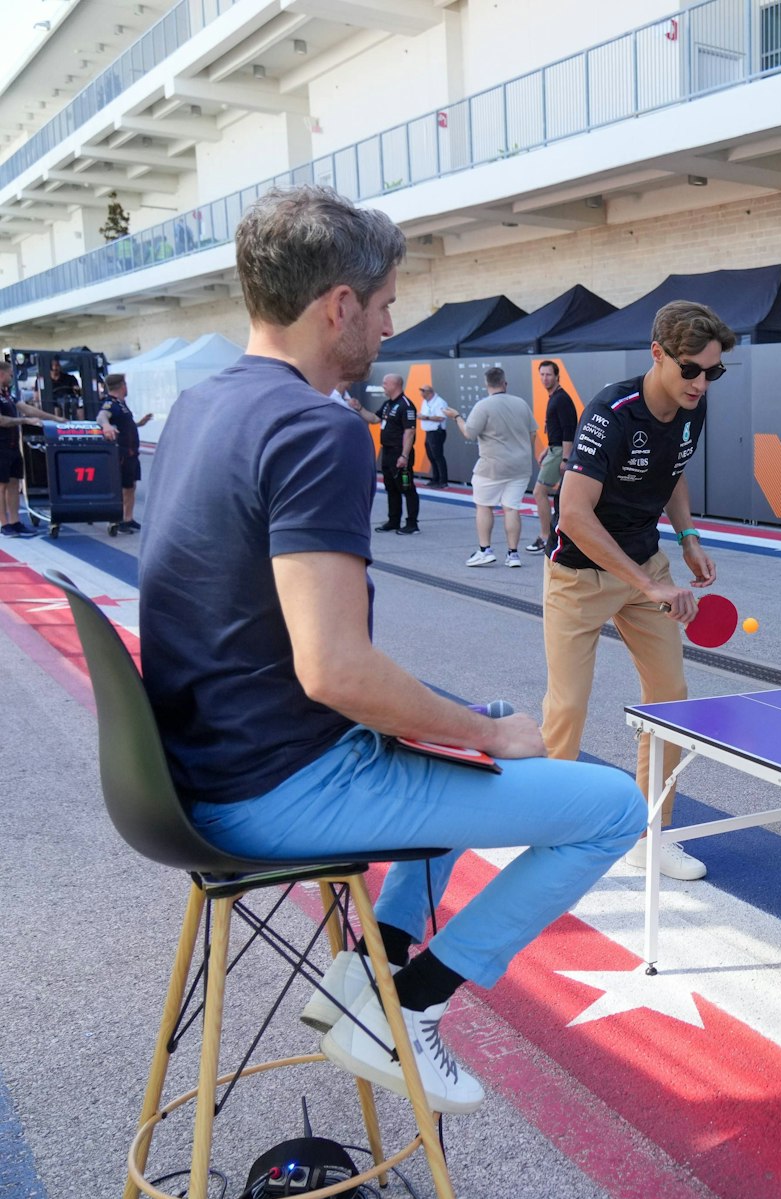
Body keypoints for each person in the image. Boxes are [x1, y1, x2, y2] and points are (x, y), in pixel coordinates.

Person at [140, 184, 643, 1117]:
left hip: (205, 769)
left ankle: (367, 972)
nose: (387, 325)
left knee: (457, 727)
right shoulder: (317, 427)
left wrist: (463, 725)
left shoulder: (198, 411)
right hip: (275, 788)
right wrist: (487, 737)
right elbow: (334, 669)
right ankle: (410, 1009)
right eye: (384, 306)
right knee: (612, 806)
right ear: (338, 305)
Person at [541, 300, 733, 882]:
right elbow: (573, 516)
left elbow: (672, 471)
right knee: (569, 704)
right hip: (579, 575)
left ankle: (651, 832)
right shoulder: (610, 413)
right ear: (658, 354)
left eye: (713, 372)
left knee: (670, 698)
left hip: (644, 565)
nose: (702, 382)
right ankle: (546, 832)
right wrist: (648, 583)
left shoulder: (692, 410)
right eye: (692, 370)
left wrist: (689, 535)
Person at [457, 367, 536, 569]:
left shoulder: (483, 406)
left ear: (486, 384)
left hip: (491, 466)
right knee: (512, 508)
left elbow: (469, 433)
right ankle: (513, 554)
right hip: (520, 466)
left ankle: (485, 550)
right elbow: (533, 432)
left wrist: (456, 417)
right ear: (505, 383)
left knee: (484, 506)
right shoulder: (521, 403)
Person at [526, 360, 577, 555]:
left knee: (539, 492)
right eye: (542, 374)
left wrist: (565, 458)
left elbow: (568, 429)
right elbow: (556, 428)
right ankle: (555, 535)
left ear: (557, 376)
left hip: (560, 453)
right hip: (554, 450)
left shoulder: (561, 399)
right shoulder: (555, 397)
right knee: (559, 496)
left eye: (548, 374)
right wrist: (547, 448)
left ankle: (546, 537)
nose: (545, 378)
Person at [0, 360, 54, 537]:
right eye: (9, 374)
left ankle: (15, 521)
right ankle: (4, 524)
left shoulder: (7, 394)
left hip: (13, 445)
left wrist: (53, 418)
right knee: (1, 486)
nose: (11, 378)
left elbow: (27, 409)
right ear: (1, 374)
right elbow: (2, 420)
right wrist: (23, 421)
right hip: (1, 446)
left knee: (14, 483)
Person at [98, 373, 153, 532]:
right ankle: (119, 519)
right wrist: (106, 426)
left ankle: (128, 518)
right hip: (122, 452)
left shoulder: (121, 404)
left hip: (131, 452)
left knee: (131, 486)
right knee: (123, 487)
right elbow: (102, 417)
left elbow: (125, 425)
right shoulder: (111, 403)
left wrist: (139, 424)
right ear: (122, 385)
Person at [374, 372, 420, 534]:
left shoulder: (406, 405)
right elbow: (374, 419)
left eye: (385, 383)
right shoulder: (388, 404)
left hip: (400, 453)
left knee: (406, 487)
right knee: (391, 487)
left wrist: (404, 456)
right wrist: (357, 408)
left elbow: (410, 432)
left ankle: (412, 523)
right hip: (387, 452)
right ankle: (393, 520)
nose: (383, 386)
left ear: (395, 385)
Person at [417, 383, 458, 486]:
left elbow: (441, 418)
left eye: (423, 391)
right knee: (431, 456)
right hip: (428, 432)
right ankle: (435, 478)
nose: (421, 393)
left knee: (438, 456)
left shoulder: (440, 402)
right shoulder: (425, 402)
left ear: (430, 392)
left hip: (437, 432)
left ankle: (443, 481)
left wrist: (425, 417)